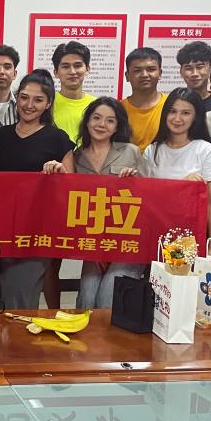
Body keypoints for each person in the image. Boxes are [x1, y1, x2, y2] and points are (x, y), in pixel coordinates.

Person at [43, 97, 142, 309]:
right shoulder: (76, 156)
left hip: (126, 239)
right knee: (86, 298)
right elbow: (69, 194)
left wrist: (135, 178)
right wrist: (57, 171)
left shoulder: (131, 151)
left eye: (110, 120)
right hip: (94, 241)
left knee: (107, 297)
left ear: (117, 126)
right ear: (87, 121)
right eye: (96, 118)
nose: (101, 124)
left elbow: (149, 193)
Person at [0, 70, 75, 309]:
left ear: (48, 103)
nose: (29, 105)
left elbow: (71, 186)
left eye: (38, 100)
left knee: (19, 298)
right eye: (24, 97)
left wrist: (59, 172)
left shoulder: (58, 138)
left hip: (35, 232)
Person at [141, 88, 211, 245]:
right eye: (172, 111)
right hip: (156, 233)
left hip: (191, 236)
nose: (177, 118)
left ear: (195, 117)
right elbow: (146, 197)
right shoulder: (152, 150)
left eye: (185, 113)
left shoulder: (206, 150)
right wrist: (183, 185)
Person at [121, 48, 167, 152]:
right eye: (137, 70)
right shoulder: (118, 109)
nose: (144, 75)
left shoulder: (171, 106)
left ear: (160, 73)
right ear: (127, 76)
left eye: (151, 69)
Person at [51, 41, 97, 141]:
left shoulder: (97, 105)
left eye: (77, 65)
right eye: (65, 66)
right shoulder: (47, 104)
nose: (72, 71)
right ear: (56, 72)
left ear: (87, 69)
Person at [177, 41, 211, 111]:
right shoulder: (174, 103)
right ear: (181, 71)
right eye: (188, 68)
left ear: (210, 68)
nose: (194, 73)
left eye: (200, 67)